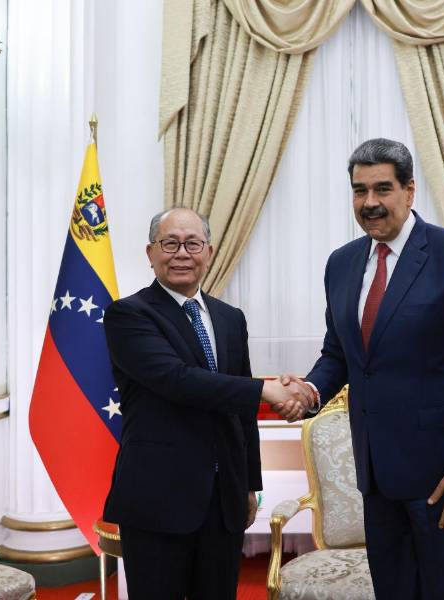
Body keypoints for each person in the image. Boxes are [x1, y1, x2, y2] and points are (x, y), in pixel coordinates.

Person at [287, 139, 444, 599]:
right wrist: (307, 390)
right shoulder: (341, 264)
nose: (370, 203)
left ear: (409, 190)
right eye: (359, 191)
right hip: (377, 475)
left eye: (382, 189)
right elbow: (339, 355)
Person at [103, 207, 314, 599]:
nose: (181, 253)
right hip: (158, 500)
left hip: (223, 503)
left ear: (210, 252)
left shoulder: (230, 318)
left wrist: (250, 484)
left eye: (192, 243)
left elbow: (240, 412)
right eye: (170, 243)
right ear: (150, 253)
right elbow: (177, 380)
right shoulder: (128, 315)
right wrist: (265, 389)